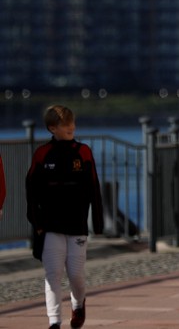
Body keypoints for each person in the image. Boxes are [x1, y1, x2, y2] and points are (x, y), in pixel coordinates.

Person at [26, 105, 104, 329]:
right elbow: (31, 190)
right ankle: (54, 321)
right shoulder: (42, 154)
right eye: (65, 124)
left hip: (77, 224)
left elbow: (94, 188)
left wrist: (97, 223)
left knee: (76, 275)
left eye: (73, 123)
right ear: (52, 128)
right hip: (50, 225)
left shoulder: (84, 152)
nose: (71, 127)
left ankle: (78, 304)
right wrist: (37, 222)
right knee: (53, 274)